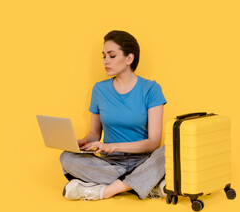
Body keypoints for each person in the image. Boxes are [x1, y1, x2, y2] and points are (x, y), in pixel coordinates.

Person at [59, 30, 167, 201]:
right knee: (66, 157)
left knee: (169, 152)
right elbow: (94, 133)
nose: (105, 61)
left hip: (143, 161)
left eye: (111, 55)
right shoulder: (99, 89)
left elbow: (154, 143)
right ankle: (143, 185)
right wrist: (84, 141)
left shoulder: (151, 89)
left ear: (129, 59)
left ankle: (106, 191)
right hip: (111, 164)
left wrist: (113, 146)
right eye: (104, 56)